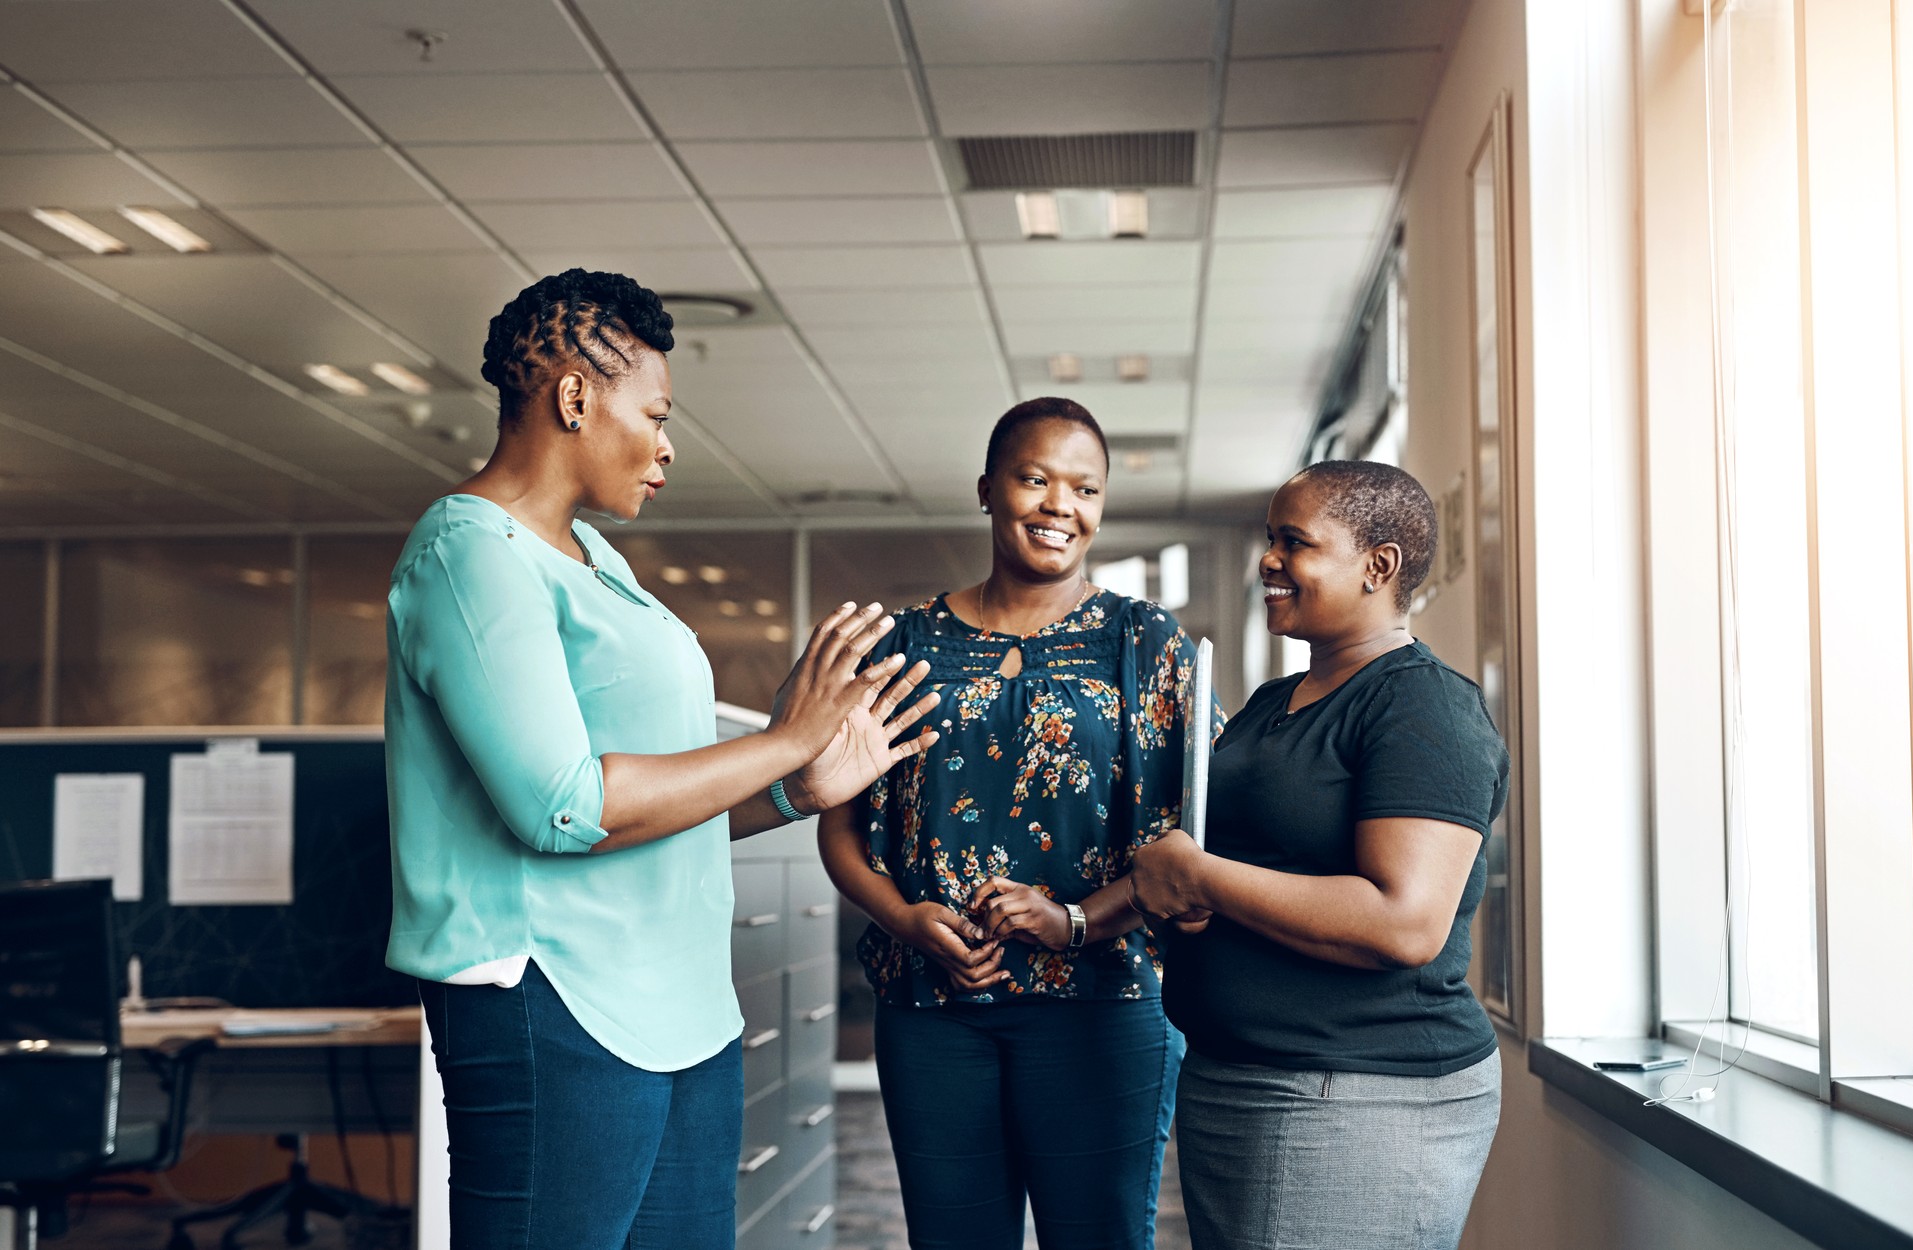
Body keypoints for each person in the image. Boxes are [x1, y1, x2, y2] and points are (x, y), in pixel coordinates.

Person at [384, 269, 941, 1250]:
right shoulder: (469, 552)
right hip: (551, 999)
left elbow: (659, 800)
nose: (668, 442)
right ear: (573, 397)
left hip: (684, 1003)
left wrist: (793, 785)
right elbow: (561, 804)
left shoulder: (601, 564)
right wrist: (782, 737)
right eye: (656, 411)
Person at [817, 398, 1214, 1250]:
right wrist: (904, 921)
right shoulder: (904, 645)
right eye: (1034, 479)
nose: (1059, 506)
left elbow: (1195, 845)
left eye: (1085, 488)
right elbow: (840, 828)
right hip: (931, 1004)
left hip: (1103, 1005)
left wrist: (1074, 921)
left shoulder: (1145, 644)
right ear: (988, 490)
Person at [1128, 459, 1509, 1250]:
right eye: (1269, 539)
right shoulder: (1274, 702)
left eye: (1294, 542)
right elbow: (1243, 868)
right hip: (1238, 1073)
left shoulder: (1423, 705)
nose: (1268, 560)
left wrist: (1202, 878)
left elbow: (1403, 924)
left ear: (1379, 566)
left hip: (1357, 1089)